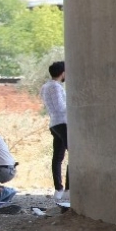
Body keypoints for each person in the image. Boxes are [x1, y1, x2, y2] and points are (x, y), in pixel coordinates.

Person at [40, 61, 69, 200]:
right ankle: (68, 189)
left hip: (54, 123)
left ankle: (58, 189)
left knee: (58, 157)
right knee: (74, 155)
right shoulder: (56, 87)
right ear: (62, 72)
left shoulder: (45, 86)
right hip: (63, 122)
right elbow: (60, 106)